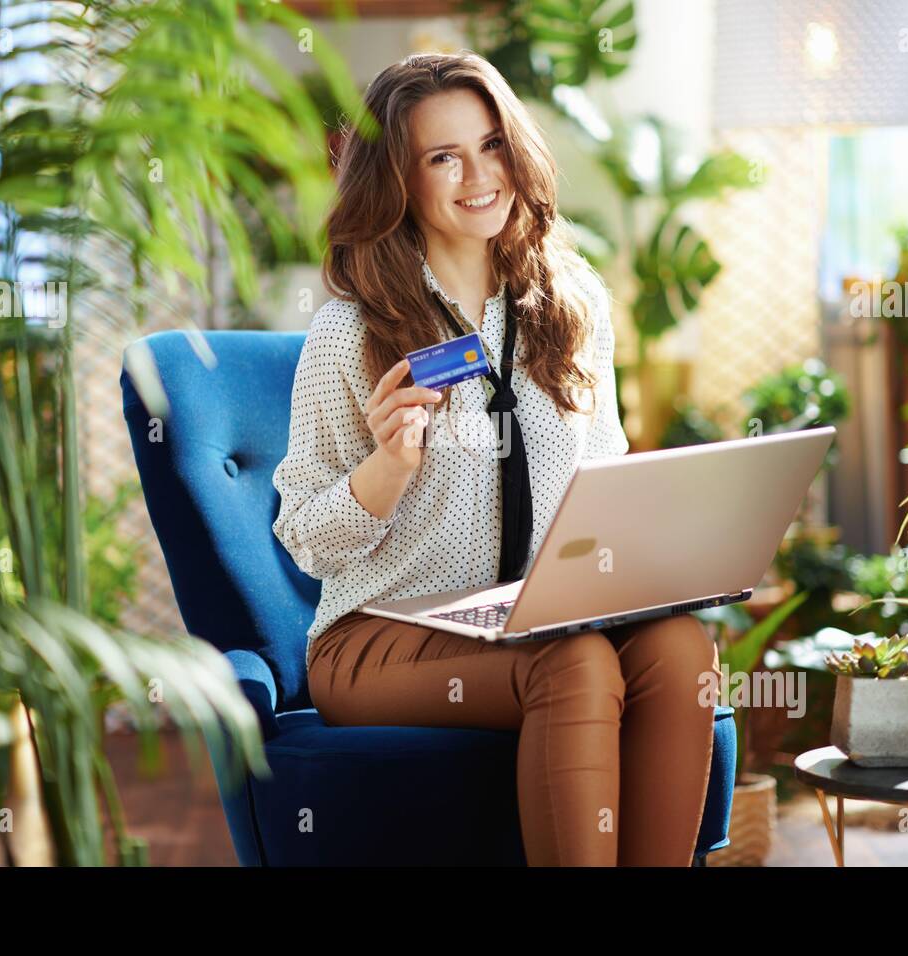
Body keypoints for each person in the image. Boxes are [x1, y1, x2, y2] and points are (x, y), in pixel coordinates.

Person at [271, 50, 721, 866]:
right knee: (577, 665)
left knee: (679, 649)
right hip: (382, 635)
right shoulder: (349, 333)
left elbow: (606, 474)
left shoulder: (573, 304)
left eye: (492, 145)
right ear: (398, 180)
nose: (480, 176)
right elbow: (304, 538)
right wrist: (386, 470)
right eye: (443, 157)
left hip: (529, 614)